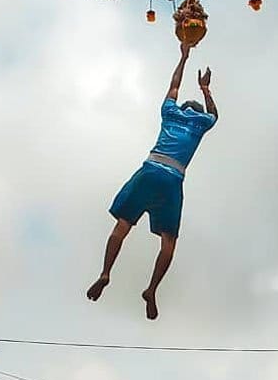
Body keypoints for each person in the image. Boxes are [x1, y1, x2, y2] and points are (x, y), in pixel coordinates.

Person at [87, 46, 218, 320]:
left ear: (182, 109)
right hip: (173, 180)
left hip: (149, 170)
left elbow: (174, 86)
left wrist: (183, 56)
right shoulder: (200, 123)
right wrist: (206, 90)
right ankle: (151, 289)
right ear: (197, 114)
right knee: (169, 241)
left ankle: (105, 273)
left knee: (123, 225)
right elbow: (215, 115)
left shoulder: (170, 112)